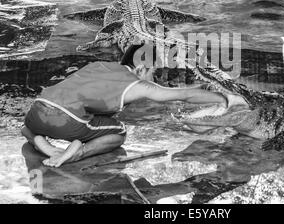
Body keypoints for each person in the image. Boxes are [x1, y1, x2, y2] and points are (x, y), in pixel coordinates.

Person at [21, 61, 247, 168]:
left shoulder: (99, 65)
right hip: (66, 119)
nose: (154, 80)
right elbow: (184, 96)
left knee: (27, 128)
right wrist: (224, 99)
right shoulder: (137, 84)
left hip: (36, 110)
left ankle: (43, 145)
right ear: (141, 67)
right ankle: (79, 152)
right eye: (153, 73)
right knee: (119, 131)